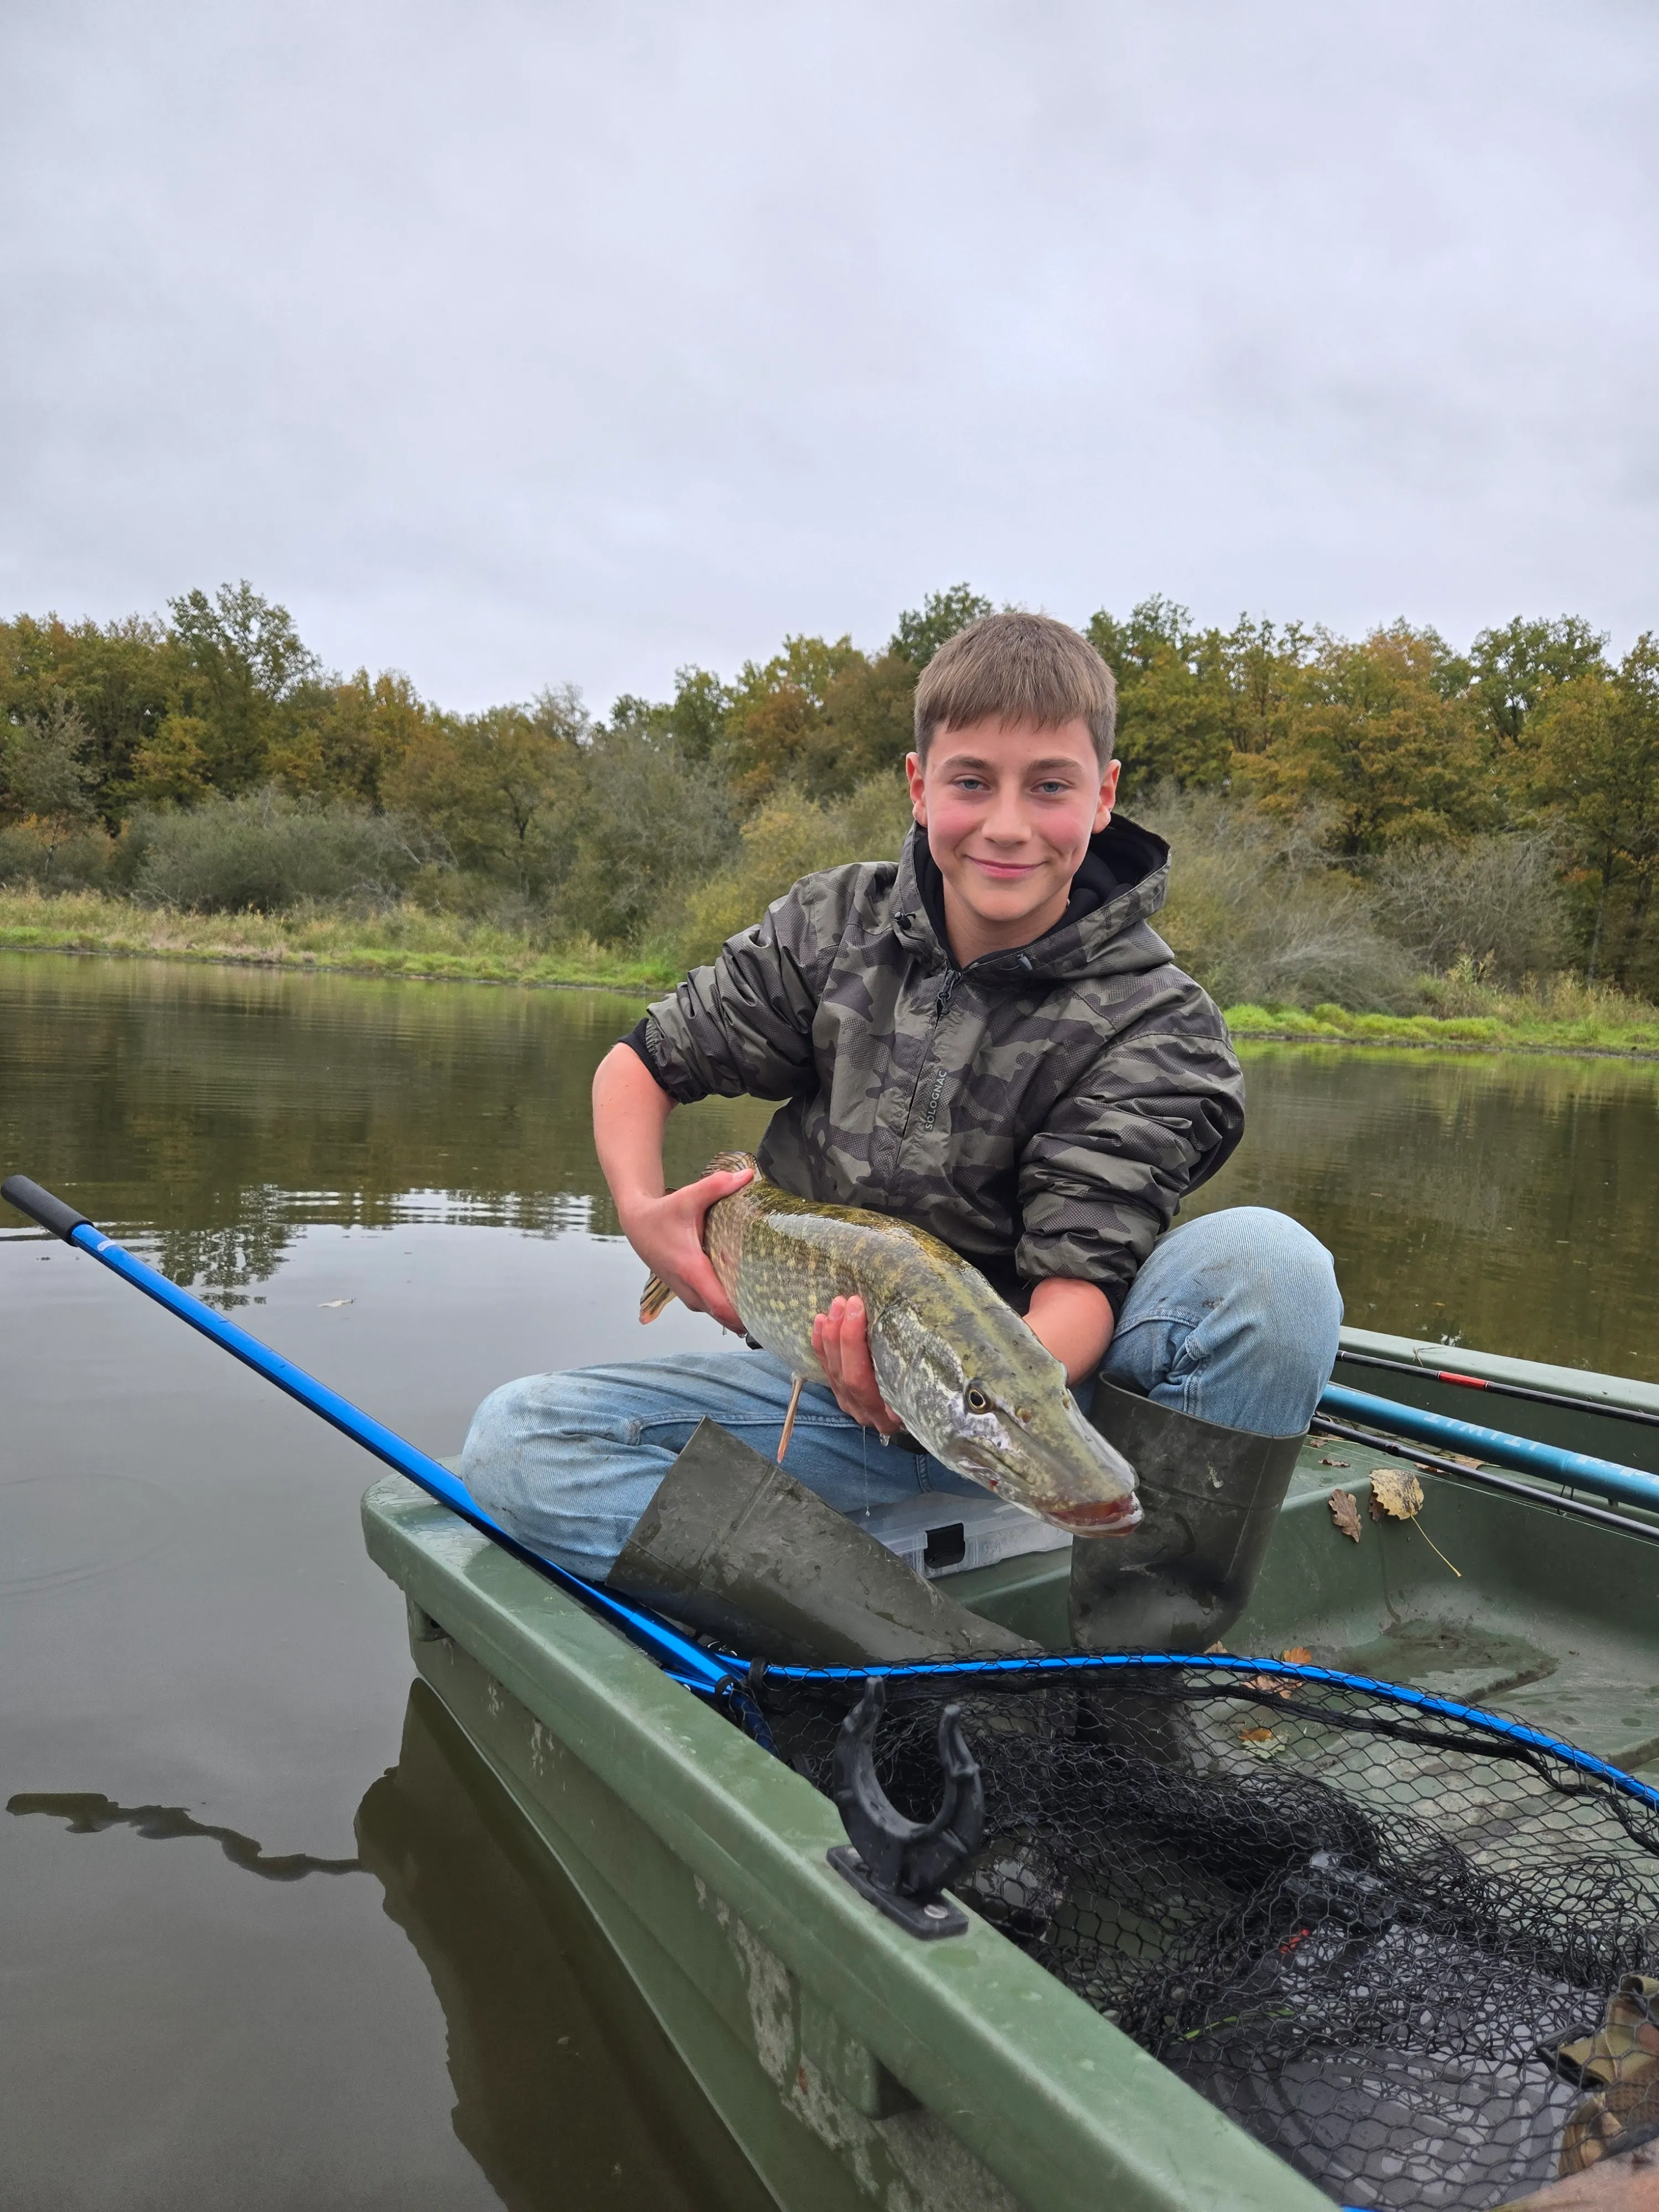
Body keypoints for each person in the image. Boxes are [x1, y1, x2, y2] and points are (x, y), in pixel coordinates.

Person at [461, 612, 1342, 1588]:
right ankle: (867, 1615)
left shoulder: (1158, 1023)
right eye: (973, 782)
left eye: (1050, 786)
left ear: (1104, 797)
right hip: (826, 1397)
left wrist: (955, 1403)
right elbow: (640, 1066)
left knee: (1272, 1270)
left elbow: (1079, 1287)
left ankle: (1137, 1619)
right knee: (518, 1444)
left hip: (1055, 1385)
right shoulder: (834, 925)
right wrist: (641, 1212)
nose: (1008, 825)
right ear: (921, 788)